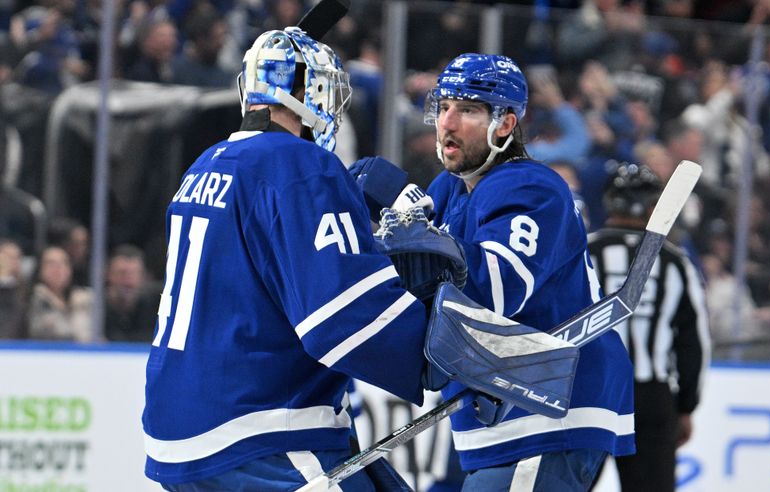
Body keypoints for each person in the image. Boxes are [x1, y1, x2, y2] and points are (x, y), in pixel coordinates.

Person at [142, 26, 445, 491]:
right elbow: (342, 317)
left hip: (180, 434)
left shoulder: (206, 164)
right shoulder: (299, 164)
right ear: (301, 92)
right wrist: (445, 354)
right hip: (258, 431)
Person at [423, 53, 635, 491]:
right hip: (505, 406)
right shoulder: (447, 189)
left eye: (467, 109)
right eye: (443, 107)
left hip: (550, 402)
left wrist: (421, 248)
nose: (448, 122)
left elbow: (494, 292)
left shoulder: (529, 185)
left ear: (504, 124)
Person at [587, 163, 711, 491]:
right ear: (654, 206)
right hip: (651, 398)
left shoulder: (583, 252)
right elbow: (693, 340)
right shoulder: (675, 261)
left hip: (588, 392)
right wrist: (686, 405)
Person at [27, 245, 93, 342]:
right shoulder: (31, 300)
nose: (58, 268)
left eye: (63, 263)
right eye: (51, 264)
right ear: (40, 269)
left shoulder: (85, 299)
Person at [104, 244, 160, 342]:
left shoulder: (155, 308)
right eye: (122, 272)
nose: (128, 278)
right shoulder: (95, 308)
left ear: (143, 277)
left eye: (134, 273)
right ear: (109, 275)